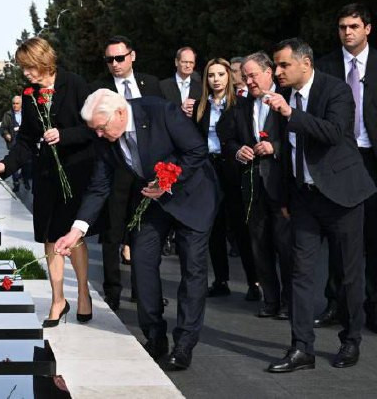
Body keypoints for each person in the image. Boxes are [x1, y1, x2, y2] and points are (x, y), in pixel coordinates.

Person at [55, 88, 220, 370]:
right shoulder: (105, 138)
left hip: (192, 197)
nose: (98, 135)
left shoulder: (161, 112)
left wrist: (167, 180)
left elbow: (196, 150)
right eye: (94, 130)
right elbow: (99, 186)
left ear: (120, 113)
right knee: (141, 263)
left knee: (193, 269)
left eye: (101, 128)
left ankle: (184, 344)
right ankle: (154, 337)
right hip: (151, 200)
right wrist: (76, 230)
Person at [265, 38, 375, 373]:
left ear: (305, 63)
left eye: (284, 65)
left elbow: (335, 133)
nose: (278, 71)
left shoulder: (335, 90)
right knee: (300, 272)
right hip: (304, 198)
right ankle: (302, 348)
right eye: (276, 65)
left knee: (348, 274)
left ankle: (351, 339)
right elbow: (284, 149)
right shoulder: (283, 95)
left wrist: (291, 114)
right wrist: (284, 198)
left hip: (343, 195)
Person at [0, 37, 96, 327]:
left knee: (73, 235)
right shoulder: (29, 95)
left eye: (29, 67)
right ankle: (58, 300)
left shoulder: (75, 84)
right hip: (47, 173)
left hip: (75, 171)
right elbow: (25, 140)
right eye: (23, 68)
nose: (25, 73)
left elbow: (92, 127)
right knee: (50, 236)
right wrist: (5, 164)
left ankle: (83, 293)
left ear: (43, 61)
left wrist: (64, 135)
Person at [316, 3, 377, 333]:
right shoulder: (325, 67)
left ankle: (373, 305)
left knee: (374, 236)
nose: (347, 32)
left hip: (372, 158)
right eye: (342, 27)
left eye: (354, 26)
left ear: (368, 28)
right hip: (339, 159)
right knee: (339, 236)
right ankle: (336, 304)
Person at [90, 35, 163, 311]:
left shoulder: (151, 84)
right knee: (112, 232)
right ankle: (112, 291)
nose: (115, 64)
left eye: (119, 58)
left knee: (144, 231)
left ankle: (142, 290)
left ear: (132, 56)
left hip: (146, 169)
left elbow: (162, 122)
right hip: (115, 167)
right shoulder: (99, 89)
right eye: (109, 59)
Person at [219, 52, 291, 319]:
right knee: (259, 245)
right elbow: (228, 140)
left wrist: (275, 147)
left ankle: (289, 302)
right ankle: (270, 300)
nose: (248, 81)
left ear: (269, 72)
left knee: (286, 246)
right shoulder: (240, 106)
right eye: (245, 76)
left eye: (253, 75)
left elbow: (299, 137)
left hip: (281, 186)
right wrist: (238, 151)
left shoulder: (287, 99)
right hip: (251, 186)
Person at [193, 58, 258, 300]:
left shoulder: (240, 104)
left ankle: (254, 282)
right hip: (208, 170)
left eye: (221, 74)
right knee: (215, 227)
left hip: (233, 168)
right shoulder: (200, 106)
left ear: (229, 76)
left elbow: (245, 136)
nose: (216, 79)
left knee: (241, 227)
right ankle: (221, 280)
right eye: (211, 75)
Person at [0, 95, 31, 192]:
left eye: (17, 103)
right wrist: (6, 134)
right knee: (13, 162)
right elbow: (3, 128)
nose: (15, 105)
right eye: (13, 103)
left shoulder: (27, 113)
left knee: (26, 163)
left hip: (25, 142)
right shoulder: (8, 115)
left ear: (21, 104)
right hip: (13, 141)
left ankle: (24, 179)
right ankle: (16, 182)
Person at [160, 46, 202, 118]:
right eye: (184, 62)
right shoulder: (162, 86)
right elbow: (159, 112)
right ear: (176, 62)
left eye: (191, 62)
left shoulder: (201, 88)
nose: (188, 65)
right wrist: (180, 109)